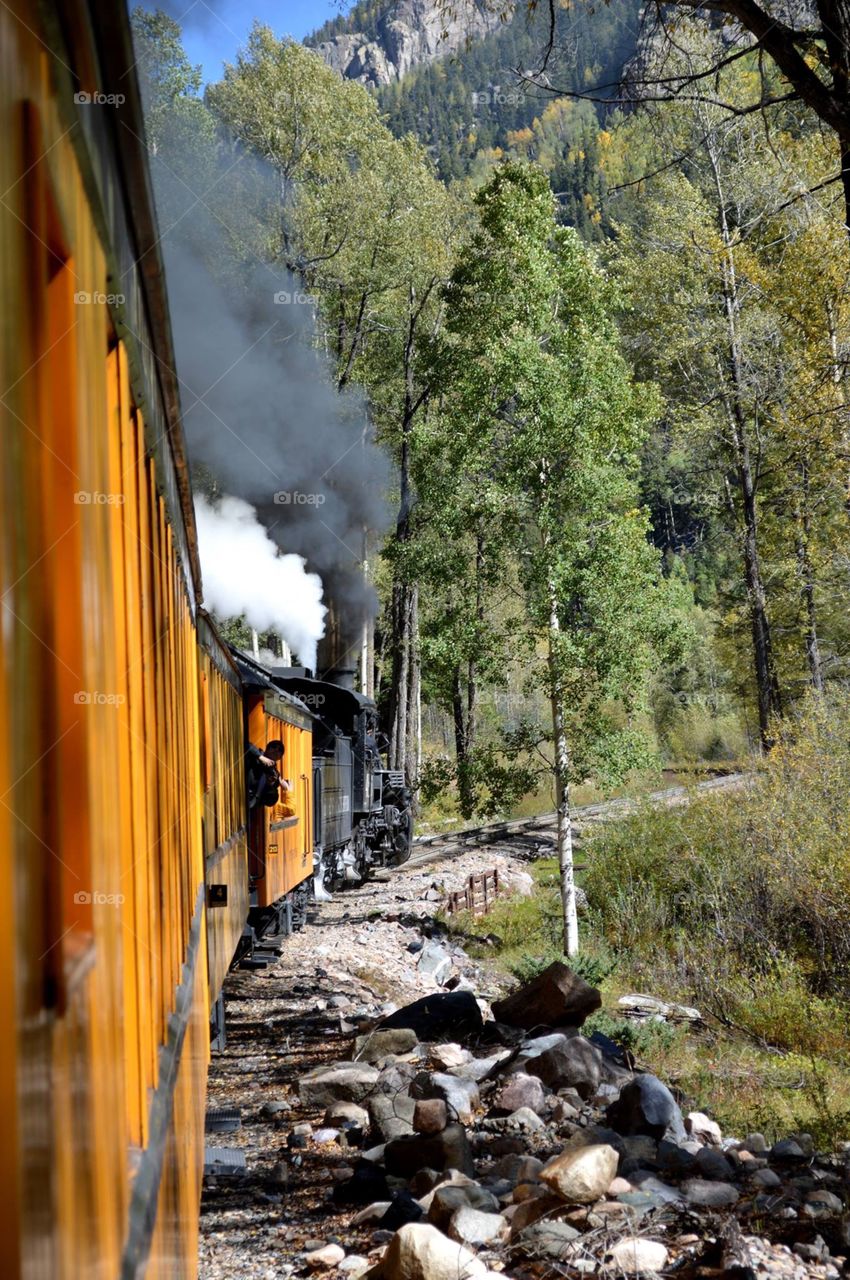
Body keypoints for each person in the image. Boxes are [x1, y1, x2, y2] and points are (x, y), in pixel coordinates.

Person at [245, 739, 292, 810]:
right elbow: (245, 743)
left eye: (280, 750)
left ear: (280, 757)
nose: (276, 750)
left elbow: (270, 802)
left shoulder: (275, 775)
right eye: (273, 746)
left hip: (250, 804)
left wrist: (271, 786)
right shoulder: (255, 756)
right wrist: (260, 757)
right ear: (267, 749)